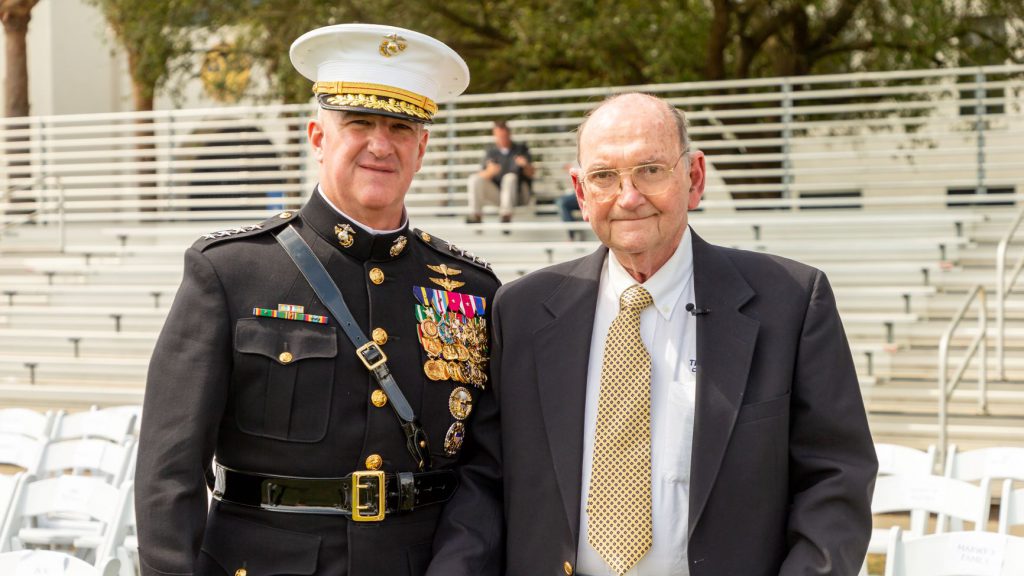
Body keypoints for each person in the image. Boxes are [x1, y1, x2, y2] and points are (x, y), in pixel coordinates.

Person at [432, 93, 878, 576]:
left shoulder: (789, 302)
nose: (628, 197)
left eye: (650, 169)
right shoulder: (520, 312)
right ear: (581, 194)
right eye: (604, 176)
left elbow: (836, 481)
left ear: (694, 178)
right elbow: (484, 481)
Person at [135, 23, 501, 576]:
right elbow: (169, 472)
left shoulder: (470, 289)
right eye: (358, 122)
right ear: (317, 136)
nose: (381, 144)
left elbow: (485, 468)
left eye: (401, 127)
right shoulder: (232, 273)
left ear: (422, 148)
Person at [465, 120, 535, 224]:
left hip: (519, 195)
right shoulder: (491, 152)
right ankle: (476, 215)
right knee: (474, 179)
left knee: (509, 177)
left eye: (504, 135)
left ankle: (506, 216)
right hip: (500, 196)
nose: (501, 138)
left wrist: (525, 165)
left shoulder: (520, 149)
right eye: (499, 136)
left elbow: (531, 173)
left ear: (509, 134)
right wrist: (489, 172)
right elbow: (481, 175)